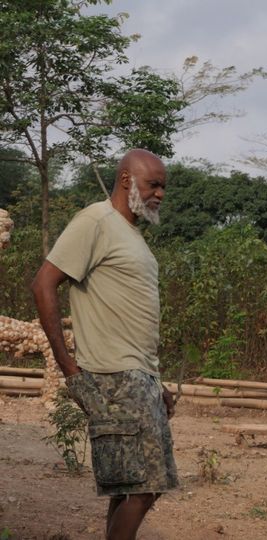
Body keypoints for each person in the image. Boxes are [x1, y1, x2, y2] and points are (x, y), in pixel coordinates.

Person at [31, 149, 178, 540]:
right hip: (114, 377)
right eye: (153, 184)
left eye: (163, 186)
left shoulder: (131, 236)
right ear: (127, 179)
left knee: (130, 484)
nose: (160, 194)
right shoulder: (95, 220)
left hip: (137, 377)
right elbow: (43, 284)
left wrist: (154, 381)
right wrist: (70, 371)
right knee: (146, 485)